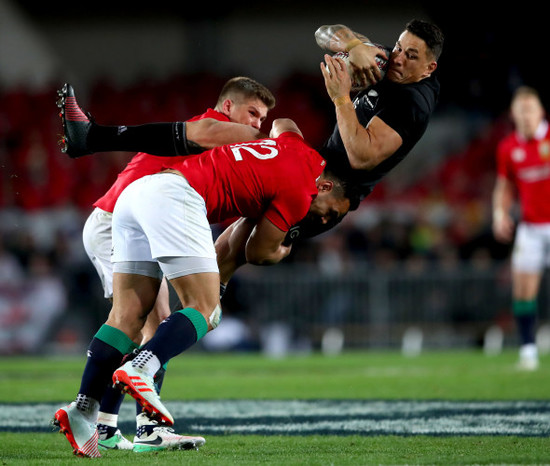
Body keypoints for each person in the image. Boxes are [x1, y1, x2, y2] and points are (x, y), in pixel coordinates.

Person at [53, 117, 354, 458]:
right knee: (207, 308)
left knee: (127, 317)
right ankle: (141, 366)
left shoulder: (294, 145)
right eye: (330, 214)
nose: (324, 221)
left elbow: (283, 122)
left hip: (135, 195)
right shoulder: (304, 190)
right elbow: (259, 251)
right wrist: (282, 250)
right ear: (327, 187)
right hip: (177, 196)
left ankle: (83, 410)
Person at [59, 77, 276, 452]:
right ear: (228, 107)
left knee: (147, 321)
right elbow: (210, 136)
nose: (257, 124)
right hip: (116, 221)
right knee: (143, 320)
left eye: (262, 118)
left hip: (131, 220)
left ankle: (114, 422)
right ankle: (118, 423)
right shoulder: (212, 130)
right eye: (252, 113)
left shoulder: (213, 140)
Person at [492, 86, 550, 371]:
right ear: (514, 115)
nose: (526, 116)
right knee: (523, 290)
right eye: (521, 111)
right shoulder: (508, 148)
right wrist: (500, 213)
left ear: (541, 112)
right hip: (530, 228)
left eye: (530, 109)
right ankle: (528, 352)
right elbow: (504, 186)